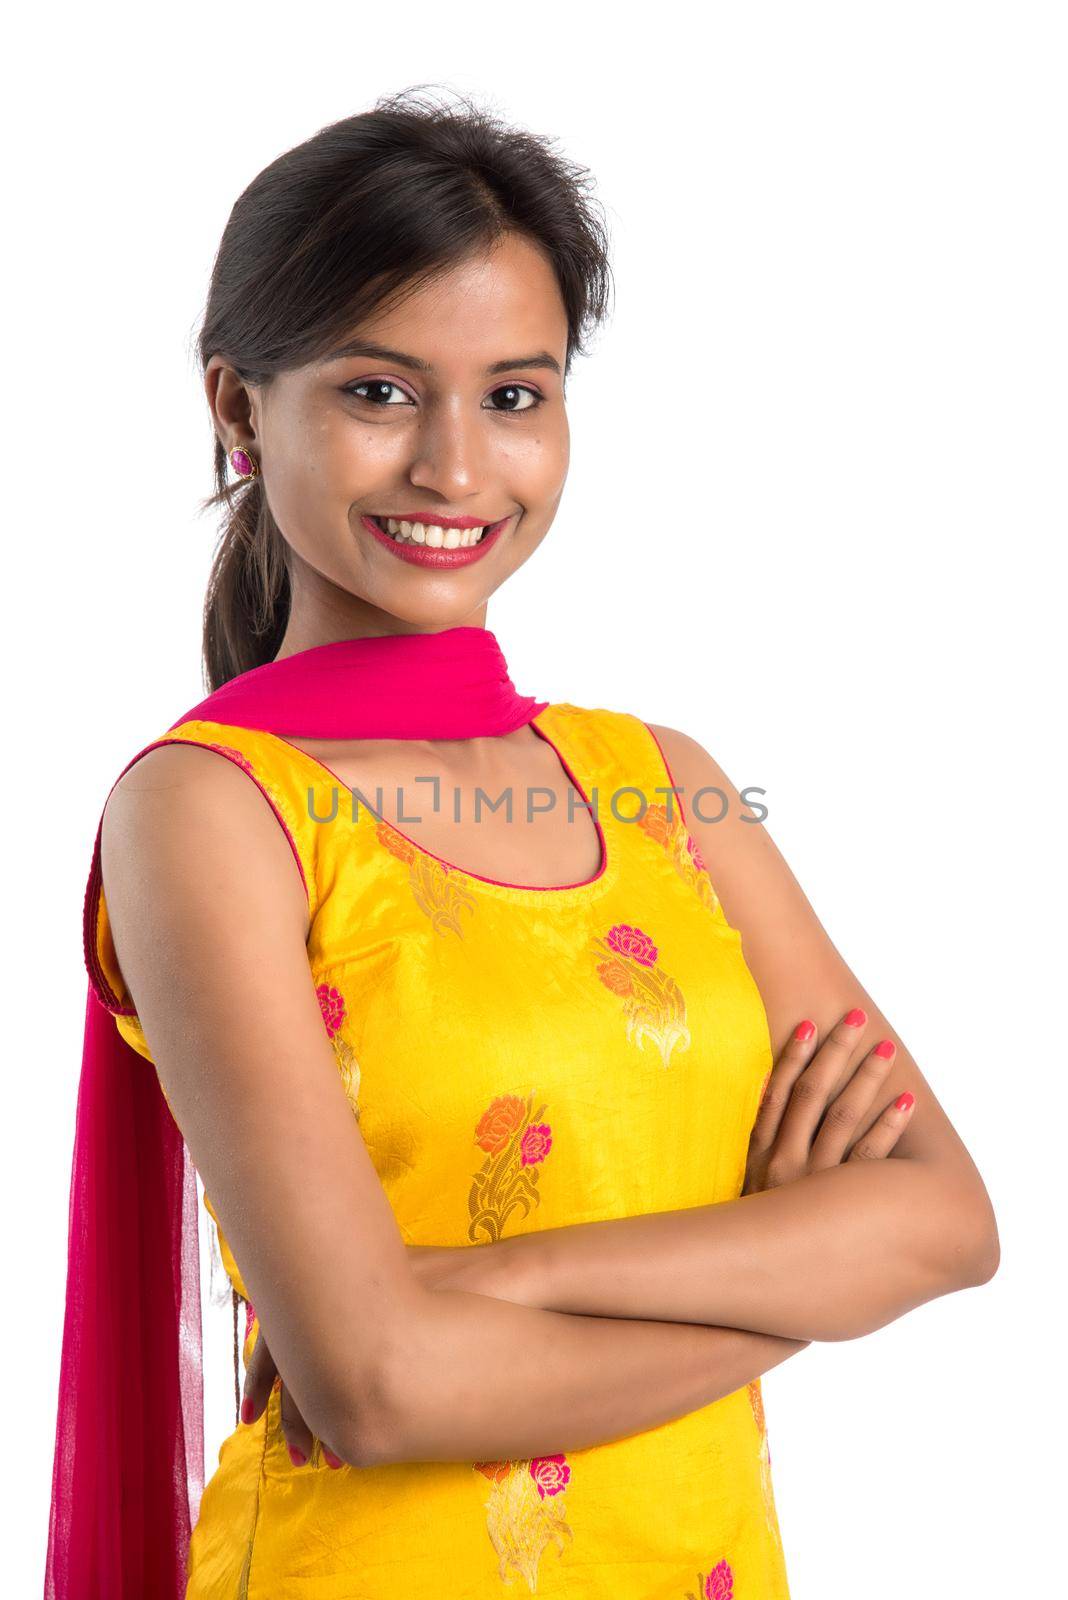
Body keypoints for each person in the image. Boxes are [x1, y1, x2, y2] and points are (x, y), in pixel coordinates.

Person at [45, 87, 1000, 1600]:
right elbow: (376, 1387)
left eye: (513, 394)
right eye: (377, 392)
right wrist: (799, 1273)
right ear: (238, 411)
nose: (453, 467)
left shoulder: (661, 783)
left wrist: (499, 1283)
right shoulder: (215, 812)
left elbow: (946, 1221)